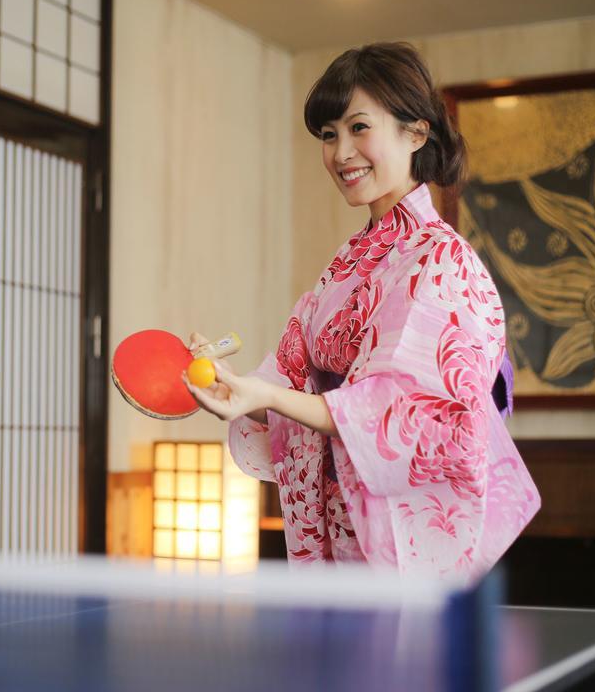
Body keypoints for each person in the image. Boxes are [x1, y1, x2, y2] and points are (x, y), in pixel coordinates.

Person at [182, 42, 539, 582]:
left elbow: (397, 410)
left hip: (398, 537)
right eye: (328, 135)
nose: (341, 152)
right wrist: (233, 389)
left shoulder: (441, 261)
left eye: (358, 128)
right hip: (336, 523)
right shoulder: (347, 265)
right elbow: (288, 382)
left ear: (415, 133)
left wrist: (272, 396)